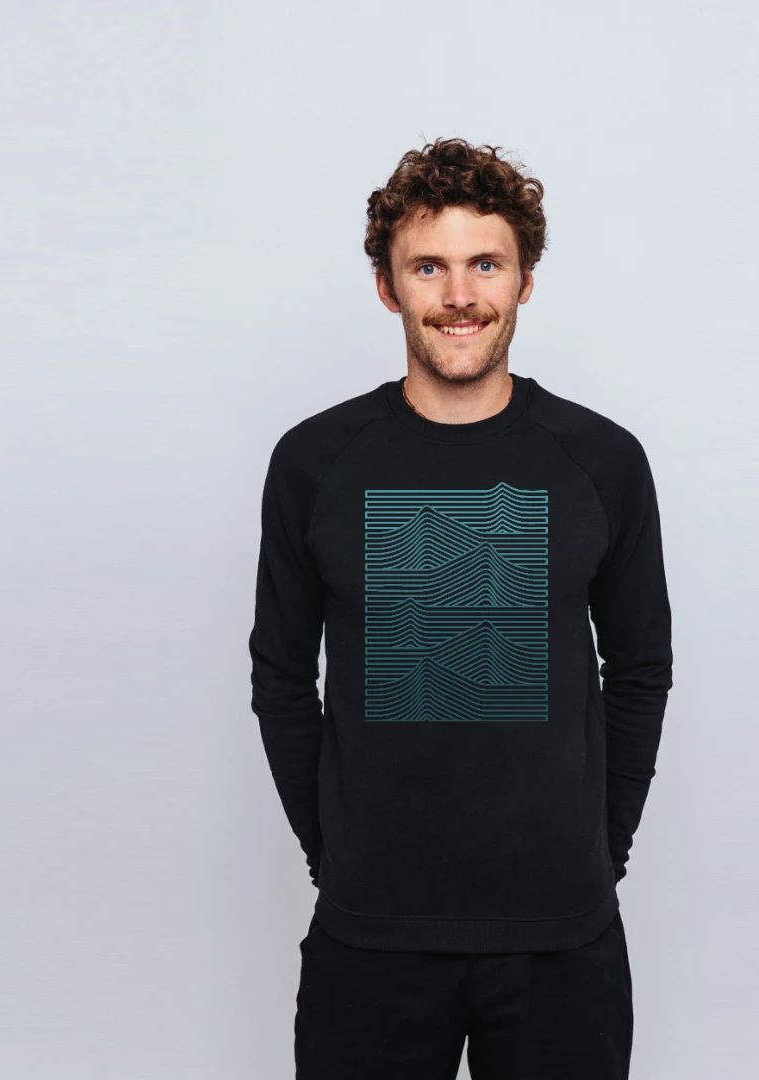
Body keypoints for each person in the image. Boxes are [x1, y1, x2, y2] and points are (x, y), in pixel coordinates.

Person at [248, 137, 673, 1079]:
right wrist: (335, 856)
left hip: (561, 939)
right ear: (387, 288)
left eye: (486, 263)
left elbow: (641, 669)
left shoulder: (603, 461)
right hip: (371, 936)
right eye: (427, 267)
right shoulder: (314, 462)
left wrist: (599, 856)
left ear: (525, 281)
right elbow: (279, 677)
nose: (458, 295)